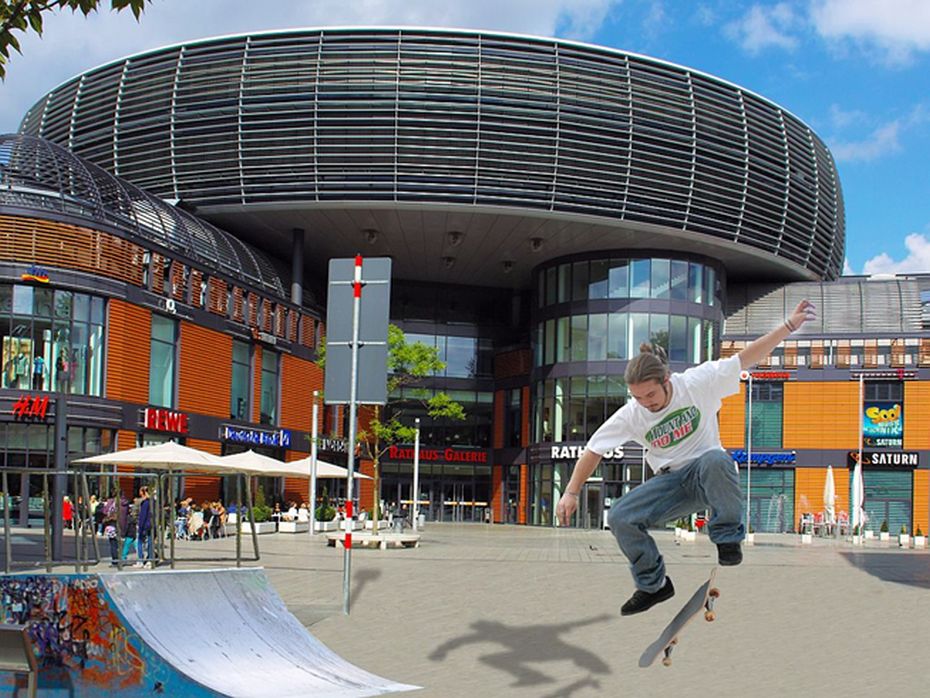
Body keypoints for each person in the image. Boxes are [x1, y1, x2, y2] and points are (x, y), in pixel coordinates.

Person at [556, 300, 816, 616]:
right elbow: (594, 449)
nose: (645, 403)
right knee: (620, 516)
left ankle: (727, 538)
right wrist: (571, 492)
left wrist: (787, 327)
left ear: (666, 380)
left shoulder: (696, 383)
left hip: (708, 474)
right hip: (671, 484)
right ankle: (654, 586)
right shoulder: (632, 414)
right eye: (637, 397)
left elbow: (745, 360)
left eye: (650, 395)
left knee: (717, 460)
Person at [134, 486, 153, 568]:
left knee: (140, 542)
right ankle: (150, 559)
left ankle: (141, 560)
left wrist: (140, 526)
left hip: (145, 524)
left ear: (142, 492)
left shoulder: (145, 503)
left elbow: (143, 516)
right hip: (151, 524)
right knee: (150, 542)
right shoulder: (153, 501)